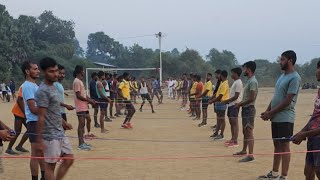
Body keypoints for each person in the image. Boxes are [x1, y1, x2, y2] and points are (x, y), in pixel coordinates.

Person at [260, 50, 301, 180]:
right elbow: (277, 96)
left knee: (284, 145)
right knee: (277, 145)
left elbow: (287, 101)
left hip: (286, 118)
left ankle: (284, 176)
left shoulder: (295, 77)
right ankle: (274, 173)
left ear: (290, 60)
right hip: (276, 117)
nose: (280, 62)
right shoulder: (282, 76)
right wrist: (267, 111)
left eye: (282, 59)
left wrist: (271, 112)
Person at [35, 57, 74, 180]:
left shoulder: (54, 87)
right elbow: (41, 116)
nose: (55, 74)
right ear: (43, 72)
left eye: (56, 70)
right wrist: (39, 140)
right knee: (50, 167)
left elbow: (54, 110)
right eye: (51, 71)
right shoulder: (43, 91)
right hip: (49, 135)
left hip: (59, 131)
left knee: (69, 159)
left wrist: (63, 122)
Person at [292, 60, 320, 180]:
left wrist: (305, 133)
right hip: (313, 137)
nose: (316, 71)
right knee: (308, 171)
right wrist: (301, 132)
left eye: (319, 68)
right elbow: (315, 116)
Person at [21, 60, 46, 180]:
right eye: (35, 69)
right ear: (27, 71)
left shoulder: (35, 85)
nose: (38, 71)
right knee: (35, 153)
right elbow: (32, 109)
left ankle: (44, 176)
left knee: (41, 151)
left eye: (37, 68)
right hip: (34, 122)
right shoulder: (27, 86)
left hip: (40, 121)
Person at [233, 61, 258, 163]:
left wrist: (240, 104)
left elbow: (252, 98)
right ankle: (244, 150)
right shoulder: (249, 81)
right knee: (245, 131)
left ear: (249, 69)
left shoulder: (253, 81)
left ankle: (250, 154)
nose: (243, 70)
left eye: (244, 69)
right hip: (246, 108)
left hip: (249, 109)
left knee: (249, 131)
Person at [73, 65, 96, 150]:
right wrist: (89, 101)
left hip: (84, 106)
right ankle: (80, 144)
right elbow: (78, 95)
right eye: (82, 71)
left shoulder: (80, 81)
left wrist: (91, 100)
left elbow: (84, 95)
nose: (83, 72)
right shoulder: (76, 81)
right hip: (80, 106)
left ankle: (83, 142)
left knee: (85, 122)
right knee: (81, 124)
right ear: (80, 71)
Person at [222, 67, 243, 147]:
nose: (231, 75)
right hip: (231, 105)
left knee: (235, 123)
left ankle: (235, 141)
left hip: (235, 104)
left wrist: (226, 101)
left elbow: (236, 96)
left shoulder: (238, 82)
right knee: (231, 122)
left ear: (236, 73)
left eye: (232, 73)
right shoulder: (235, 82)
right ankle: (232, 138)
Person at [6, 85, 29, 155]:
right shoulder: (25, 86)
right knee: (18, 130)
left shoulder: (33, 86)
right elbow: (19, 100)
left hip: (23, 112)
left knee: (30, 129)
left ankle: (19, 146)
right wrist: (25, 114)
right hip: (19, 112)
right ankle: (9, 149)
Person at [209, 70, 229, 140]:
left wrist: (212, 101)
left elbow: (220, 96)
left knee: (222, 119)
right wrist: (212, 98)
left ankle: (221, 134)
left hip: (222, 103)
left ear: (221, 75)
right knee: (218, 119)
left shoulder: (225, 84)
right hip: (218, 103)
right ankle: (216, 132)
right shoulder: (222, 83)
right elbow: (217, 93)